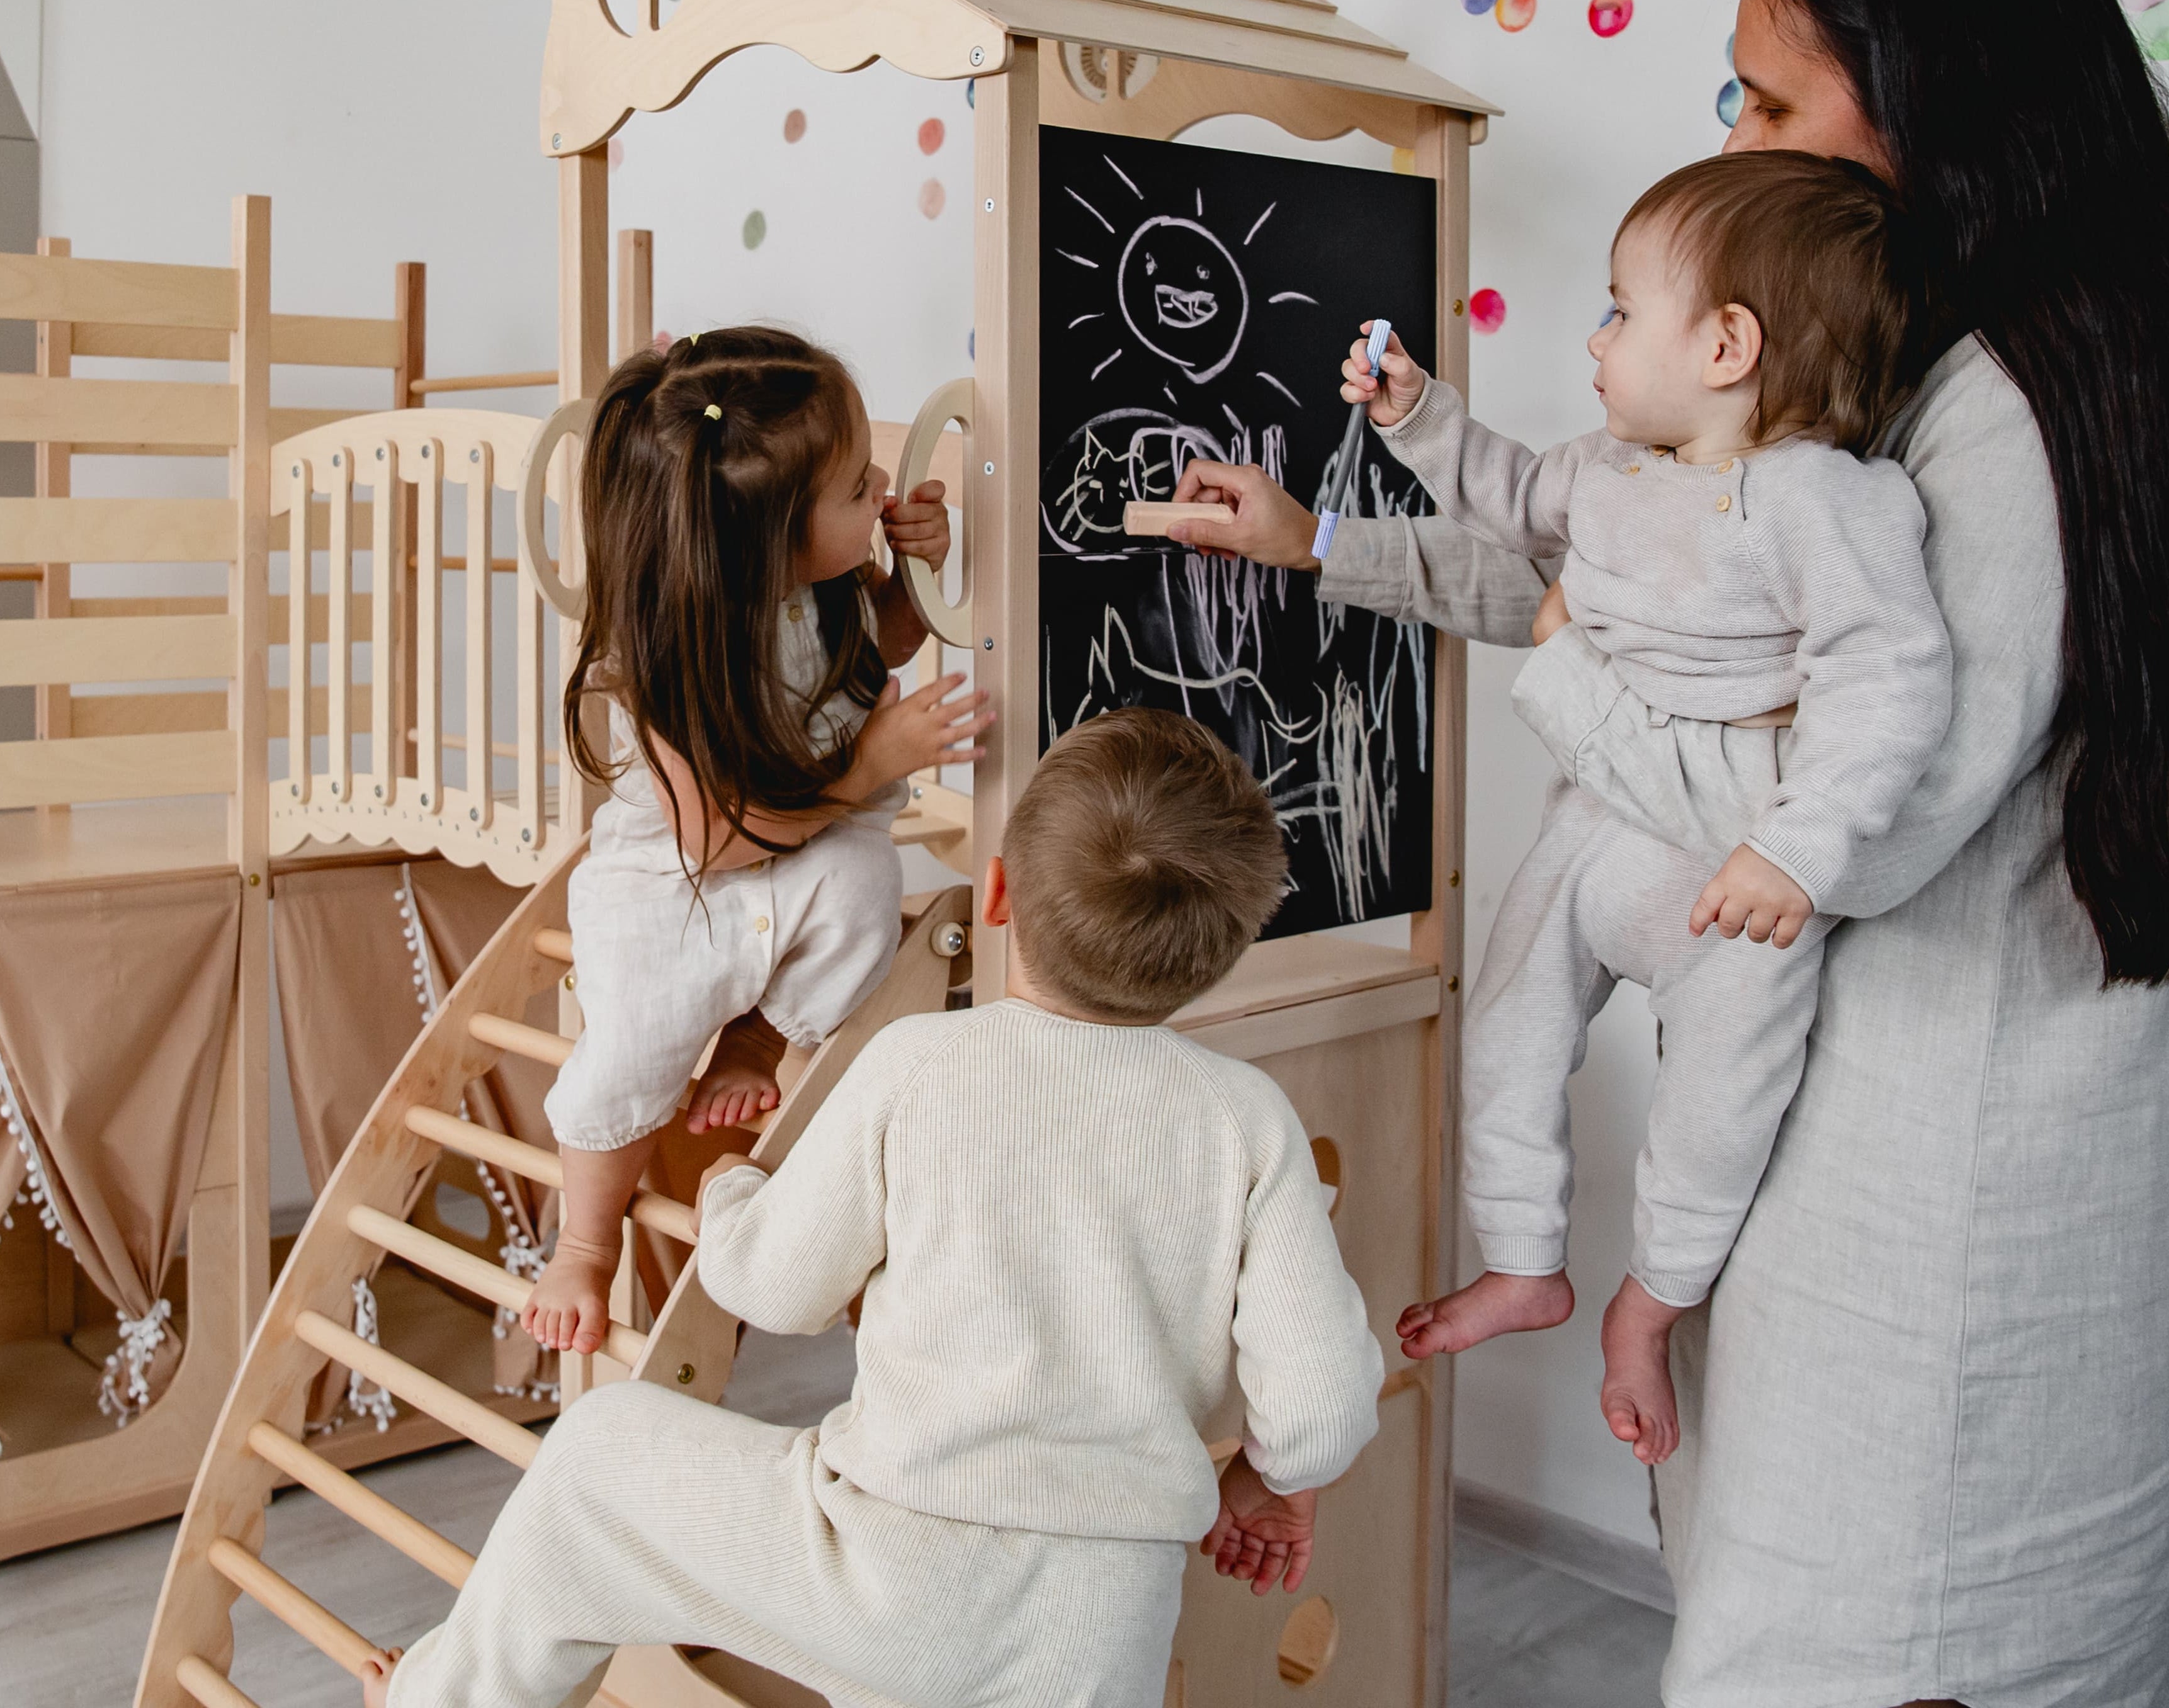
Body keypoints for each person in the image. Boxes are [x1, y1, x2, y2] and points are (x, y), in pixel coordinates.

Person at [1165, 0, 2169, 1706]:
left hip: (1948, 1248)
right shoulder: (2007, 367)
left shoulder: (1999, 414)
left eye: (1767, 97)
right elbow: (1656, 597)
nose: (1731, 133)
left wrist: (1567, 689)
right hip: (2056, 1196)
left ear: (1930, 117)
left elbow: (1836, 808)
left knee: (1878, 1645)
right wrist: (1323, 542)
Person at [365, 707, 1385, 1708]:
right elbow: (1327, 1399)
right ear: (1227, 948)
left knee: (598, 1456)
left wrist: (731, 1185)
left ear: (996, 898)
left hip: (890, 1581)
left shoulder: (921, 1067)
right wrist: (1275, 1480)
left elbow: (775, 1286)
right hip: (1102, 1629)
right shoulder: (1248, 1122)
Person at [1363, 152, 1949, 1466]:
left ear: (1729, 344)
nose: (1596, 338)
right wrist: (1420, 422)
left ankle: (1651, 1301)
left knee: (1722, 1104)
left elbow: (1891, 679)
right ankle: (1523, 1260)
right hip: (1594, 824)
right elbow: (1510, 503)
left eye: (1624, 311)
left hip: (1735, 854)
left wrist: (1798, 847)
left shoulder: (1823, 502)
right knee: (1506, 1021)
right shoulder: (1612, 467)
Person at [521, 327, 992, 1358]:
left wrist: (918, 573)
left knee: (868, 878)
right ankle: (585, 1240)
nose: (881, 488)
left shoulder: (817, 591)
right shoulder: (671, 657)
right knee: (633, 1040)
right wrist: (869, 766)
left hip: (803, 848)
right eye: (856, 487)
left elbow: (886, 646)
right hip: (679, 875)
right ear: (770, 536)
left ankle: (755, 1033)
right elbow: (717, 845)